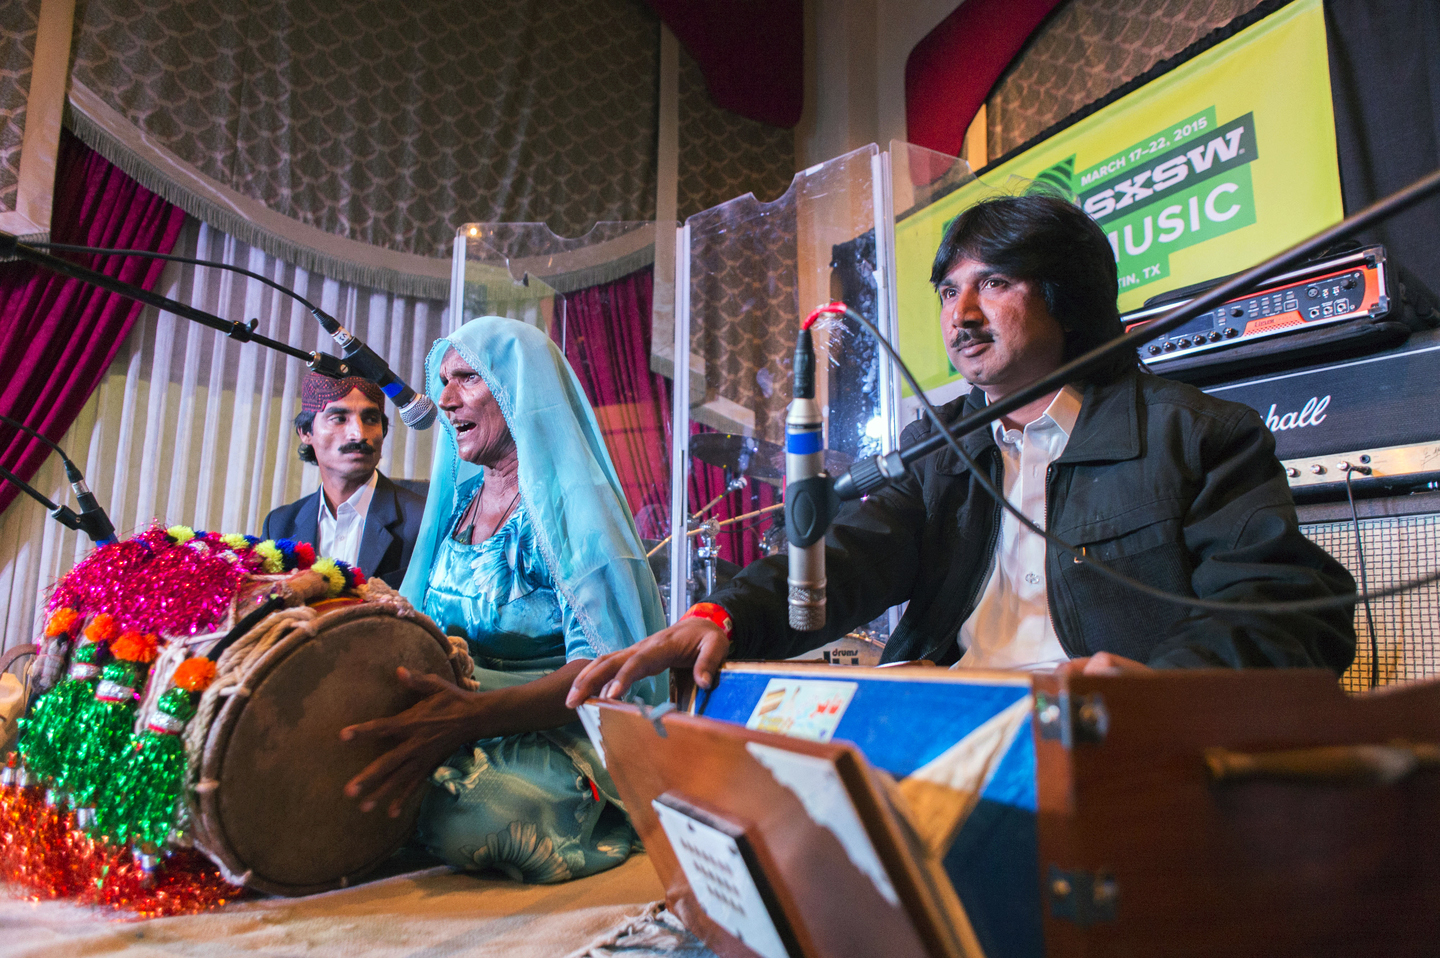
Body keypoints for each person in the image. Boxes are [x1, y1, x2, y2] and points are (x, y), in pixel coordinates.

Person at [568, 192, 1357, 707]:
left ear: (1068, 298)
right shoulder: (941, 449)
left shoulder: (1201, 436)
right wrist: (722, 616)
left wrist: (1151, 692)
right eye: (949, 291)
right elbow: (847, 555)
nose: (962, 315)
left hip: (1102, 745)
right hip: (945, 719)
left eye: (997, 283)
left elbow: (1291, 621)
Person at [341, 315, 667, 884]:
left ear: (521, 391)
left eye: (467, 378)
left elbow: (607, 672)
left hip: (552, 734)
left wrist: (472, 717)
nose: (444, 400)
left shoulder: (574, 514)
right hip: (458, 719)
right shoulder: (460, 505)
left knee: (485, 814)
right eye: (444, 380)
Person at [262, 373, 427, 587]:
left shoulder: (422, 520)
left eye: (370, 419)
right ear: (305, 432)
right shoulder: (279, 525)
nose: (358, 434)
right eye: (339, 419)